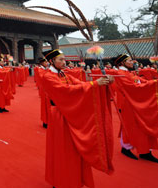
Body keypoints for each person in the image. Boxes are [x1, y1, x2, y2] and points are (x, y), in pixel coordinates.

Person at [42, 49, 114, 188]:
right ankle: (60, 180)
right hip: (60, 115)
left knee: (73, 150)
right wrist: (94, 84)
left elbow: (79, 84)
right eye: (61, 60)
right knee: (62, 150)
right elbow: (66, 91)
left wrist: (101, 82)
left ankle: (73, 179)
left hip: (71, 114)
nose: (64, 62)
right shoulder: (48, 76)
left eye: (64, 59)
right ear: (51, 61)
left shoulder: (64, 74)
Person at [113, 54, 158, 162]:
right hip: (129, 104)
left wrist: (152, 82)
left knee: (143, 125)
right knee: (131, 126)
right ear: (122, 63)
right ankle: (126, 148)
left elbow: (140, 81)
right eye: (129, 60)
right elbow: (133, 88)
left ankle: (145, 151)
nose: (132, 62)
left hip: (137, 102)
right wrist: (154, 83)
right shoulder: (120, 74)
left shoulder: (128, 73)